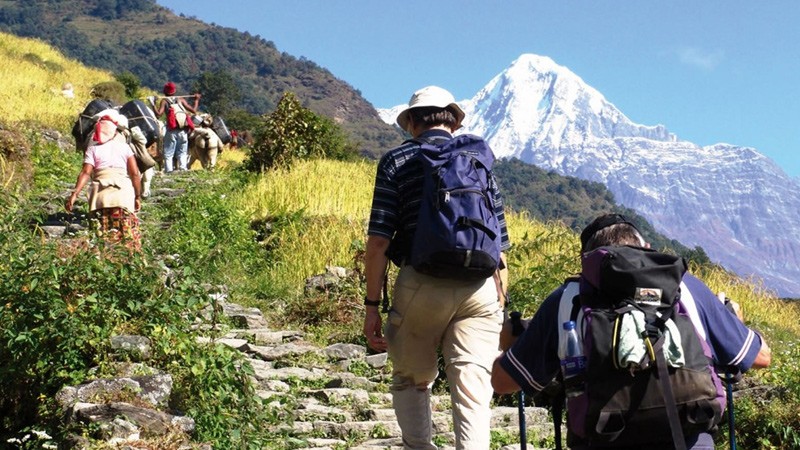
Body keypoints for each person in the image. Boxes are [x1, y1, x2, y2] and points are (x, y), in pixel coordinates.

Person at [491, 213, 772, 450]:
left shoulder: (568, 298)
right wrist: (734, 319)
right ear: (646, 247)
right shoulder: (686, 288)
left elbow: (503, 383)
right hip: (689, 439)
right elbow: (760, 358)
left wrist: (506, 342)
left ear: (586, 262)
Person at [363, 85, 511, 450]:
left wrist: (371, 307)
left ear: (412, 121)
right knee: (472, 388)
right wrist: (500, 306)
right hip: (480, 287)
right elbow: (502, 249)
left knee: (411, 379)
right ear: (454, 121)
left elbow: (379, 241)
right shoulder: (479, 162)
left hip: (422, 283)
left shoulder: (397, 161)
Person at [65, 110, 143, 250]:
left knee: (101, 233)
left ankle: (102, 260)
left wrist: (75, 193)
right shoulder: (125, 148)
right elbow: (135, 174)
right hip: (123, 195)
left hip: (100, 196)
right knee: (128, 234)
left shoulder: (93, 149)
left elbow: (85, 172)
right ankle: (131, 261)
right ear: (114, 132)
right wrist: (137, 196)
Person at [154, 81, 200, 172]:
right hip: (183, 131)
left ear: (165, 92)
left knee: (168, 152)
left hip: (171, 131)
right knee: (182, 152)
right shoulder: (181, 99)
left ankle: (169, 170)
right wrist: (196, 100)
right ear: (174, 91)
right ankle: (183, 168)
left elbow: (158, 115)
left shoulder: (164, 101)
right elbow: (194, 111)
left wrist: (153, 104)